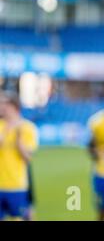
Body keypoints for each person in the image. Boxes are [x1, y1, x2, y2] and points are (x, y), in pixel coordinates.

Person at [0, 92, 39, 220]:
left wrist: (19, 144)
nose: (2, 107)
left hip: (17, 185)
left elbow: (28, 158)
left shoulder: (27, 127)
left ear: (13, 106)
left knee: (23, 217)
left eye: (4, 103)